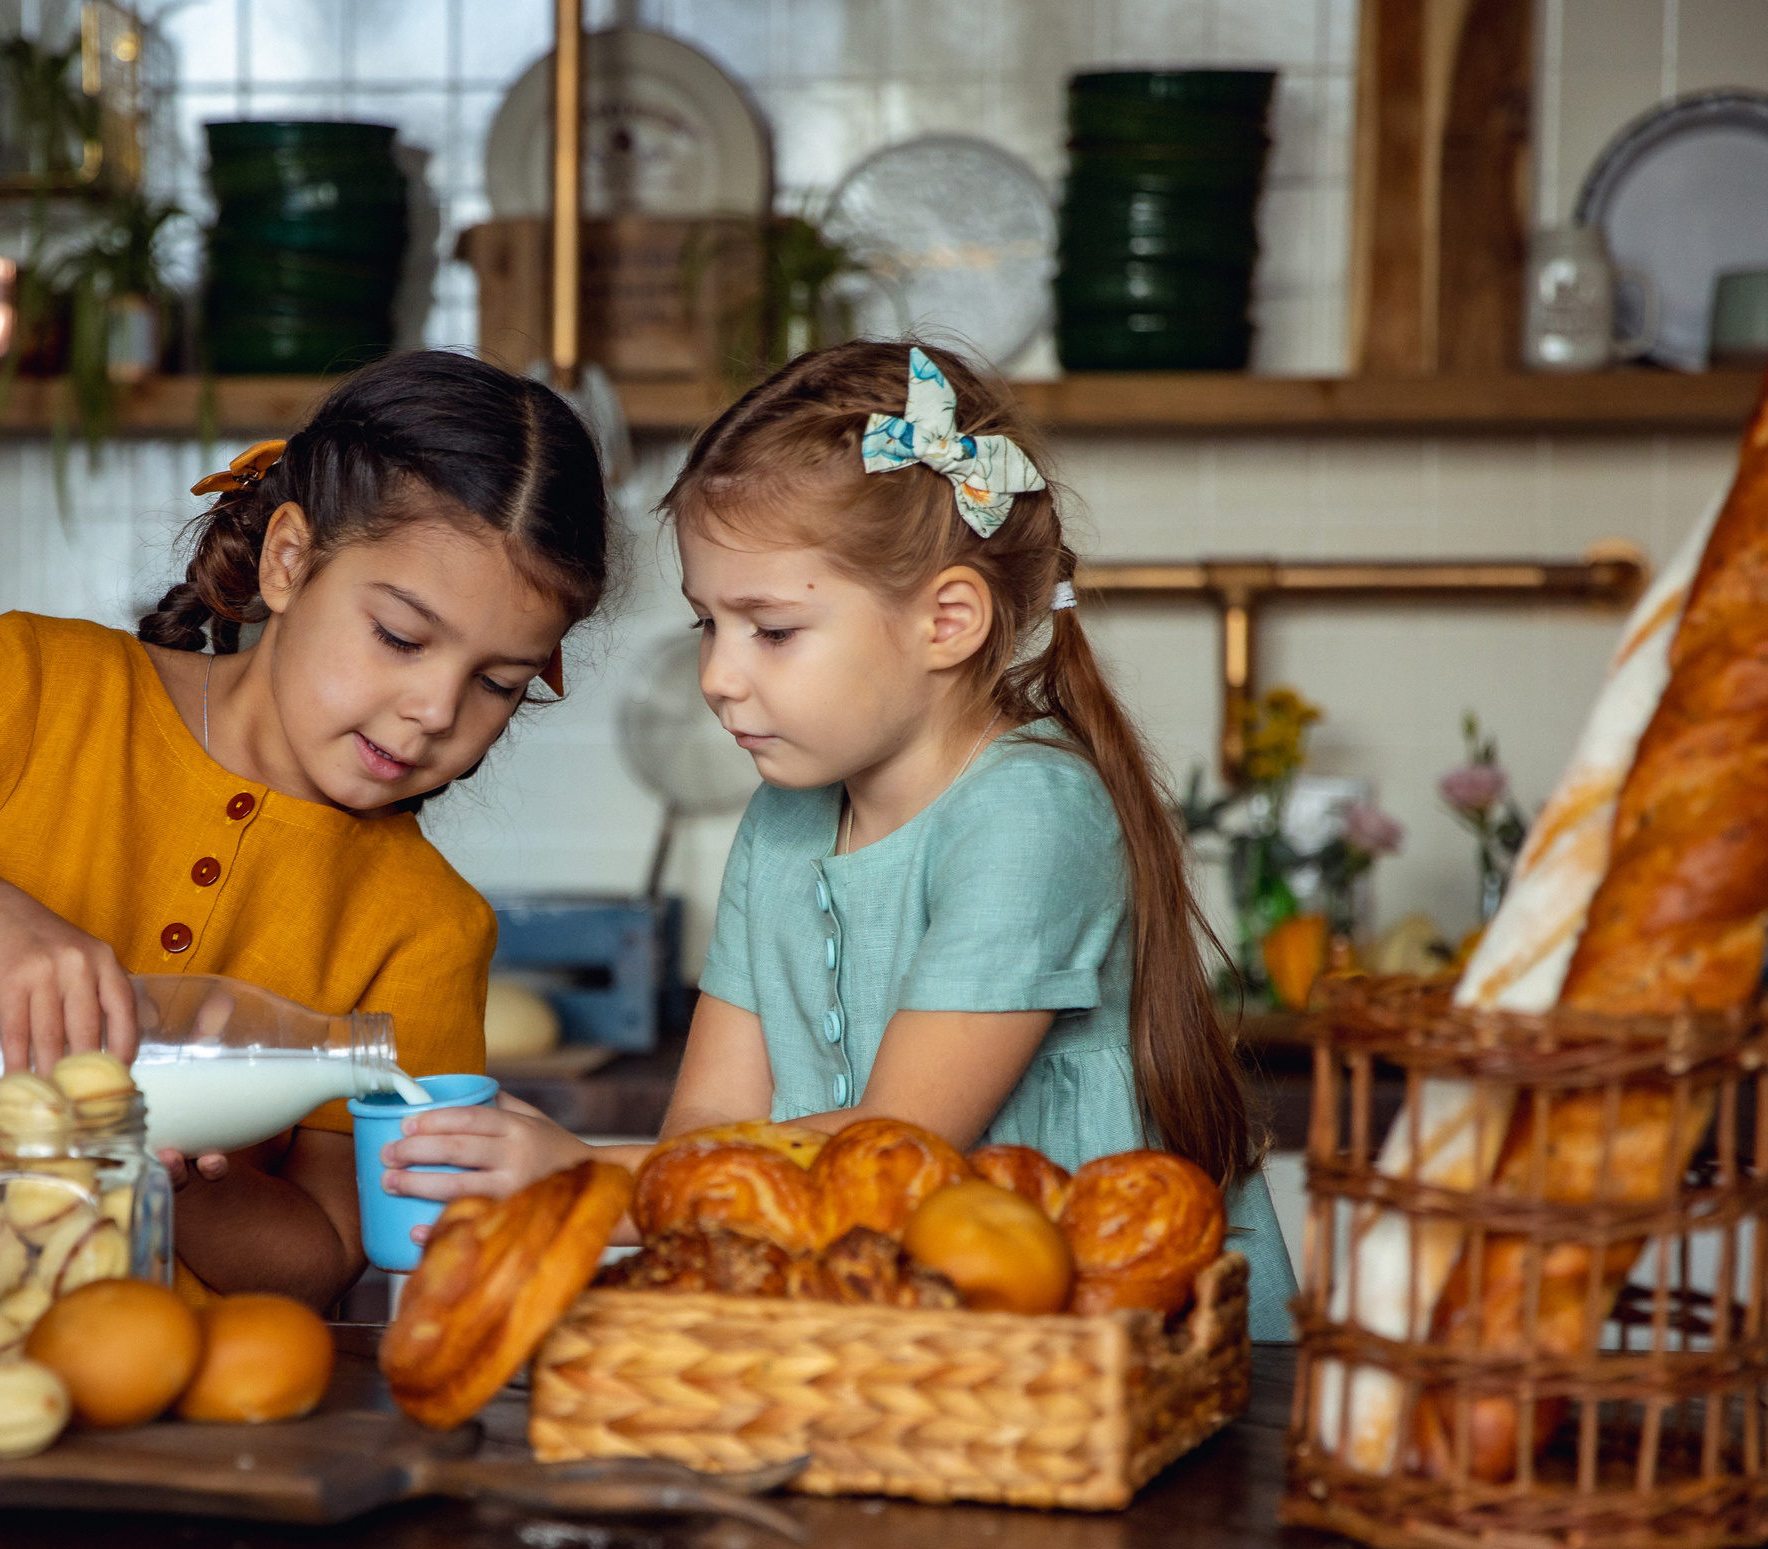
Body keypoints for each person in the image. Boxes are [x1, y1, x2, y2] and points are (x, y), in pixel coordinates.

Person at [386, 341, 1296, 1338]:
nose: (718, 679)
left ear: (946, 621)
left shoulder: (1030, 815)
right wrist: (601, 1200)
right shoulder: (784, 818)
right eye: (707, 626)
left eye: (770, 631)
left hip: (1113, 1352)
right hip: (902, 1349)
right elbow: (706, 1128)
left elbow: (903, 1148)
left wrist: (582, 1174)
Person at [0, 350, 614, 1311]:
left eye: (498, 683)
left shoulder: (429, 926)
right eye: (399, 636)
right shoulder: (46, 689)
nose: (436, 708)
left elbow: (325, 1249)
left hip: (153, 1410)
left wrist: (181, 1186)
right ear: (288, 559)